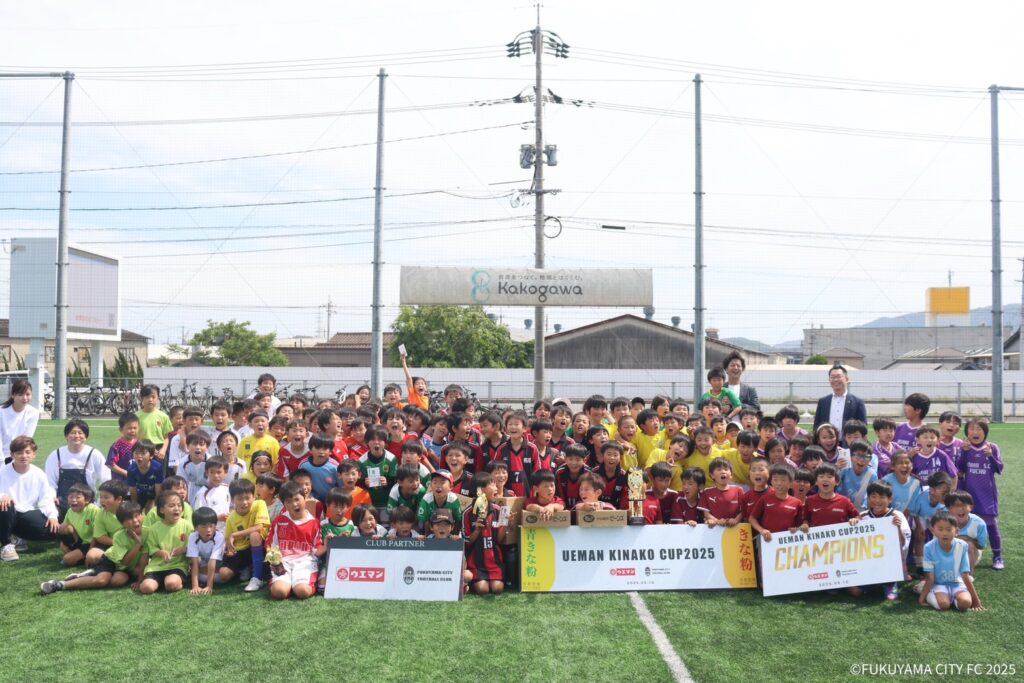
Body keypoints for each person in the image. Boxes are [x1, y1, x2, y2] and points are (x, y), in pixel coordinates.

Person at [40, 501, 147, 595]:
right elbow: (125, 561)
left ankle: (89, 574)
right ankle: (59, 584)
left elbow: (144, 556)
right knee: (101, 581)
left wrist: (140, 580)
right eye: (129, 519)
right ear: (122, 523)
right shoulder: (119, 536)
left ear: (143, 515)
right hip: (112, 561)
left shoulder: (148, 532)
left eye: (137, 515)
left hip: (126, 568)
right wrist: (138, 545)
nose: (135, 520)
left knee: (118, 581)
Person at [0, 435, 58, 560]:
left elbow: (46, 500)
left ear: (33, 454)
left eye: (27, 452)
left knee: (51, 532)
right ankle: (6, 544)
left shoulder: (39, 474)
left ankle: (17, 535)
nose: (24, 456)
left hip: (25, 513)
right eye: (19, 453)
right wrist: (2, 496)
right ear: (12, 455)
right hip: (6, 512)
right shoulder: (2, 472)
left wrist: (53, 516)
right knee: (6, 504)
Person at [956, 418, 1003, 570]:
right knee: (966, 523)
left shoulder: (992, 447)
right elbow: (961, 469)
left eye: (979, 429)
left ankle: (998, 556)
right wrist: (964, 452)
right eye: (971, 429)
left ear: (985, 432)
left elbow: (999, 469)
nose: (975, 432)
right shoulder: (964, 448)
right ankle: (965, 554)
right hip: (969, 494)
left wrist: (990, 456)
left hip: (987, 493)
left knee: (991, 525)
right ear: (967, 432)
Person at [918, 510, 983, 611]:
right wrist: (922, 598)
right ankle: (931, 594)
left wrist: (976, 600)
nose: (944, 533)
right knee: (944, 605)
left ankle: (955, 599)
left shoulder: (962, 546)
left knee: (965, 603)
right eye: (940, 529)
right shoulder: (928, 547)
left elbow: (965, 575)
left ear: (956, 531)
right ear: (933, 531)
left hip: (957, 584)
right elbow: (930, 577)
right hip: (939, 584)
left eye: (949, 529)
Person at [266, 481, 321, 600]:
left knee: (303, 592)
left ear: (305, 498)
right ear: (284, 504)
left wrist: (328, 543)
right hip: (283, 562)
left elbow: (317, 549)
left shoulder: (314, 523)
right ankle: (284, 584)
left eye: (297, 499)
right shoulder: (279, 521)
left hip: (305, 563)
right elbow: (270, 545)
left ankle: (297, 584)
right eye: (288, 501)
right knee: (279, 592)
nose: (294, 504)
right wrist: (275, 561)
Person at [44, 419, 105, 521]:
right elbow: (50, 482)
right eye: (73, 433)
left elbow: (106, 480)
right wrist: (51, 499)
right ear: (66, 436)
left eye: (80, 433)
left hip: (87, 505)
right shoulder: (56, 455)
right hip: (61, 504)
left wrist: (98, 504)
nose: (76, 436)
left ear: (86, 436)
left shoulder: (94, 454)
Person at [139, 490, 193, 594]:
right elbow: (152, 548)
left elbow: (193, 546)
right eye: (171, 505)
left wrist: (184, 549)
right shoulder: (154, 529)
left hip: (178, 565)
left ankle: (175, 582)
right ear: (162, 510)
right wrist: (162, 553)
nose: (176, 508)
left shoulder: (187, 526)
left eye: (179, 505)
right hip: (156, 566)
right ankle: (159, 582)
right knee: (146, 588)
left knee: (171, 584)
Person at [463, 471, 506, 595]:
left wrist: (506, 523)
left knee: (498, 588)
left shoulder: (498, 510)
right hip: (476, 562)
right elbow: (467, 542)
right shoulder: (468, 513)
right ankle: (471, 582)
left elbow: (499, 540)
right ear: (480, 491)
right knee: (483, 589)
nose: (496, 488)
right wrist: (477, 530)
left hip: (494, 561)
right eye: (492, 485)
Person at [224, 478, 270, 592]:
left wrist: (235, 535)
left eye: (247, 498)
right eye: (240, 499)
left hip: (261, 546)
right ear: (232, 500)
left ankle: (257, 578)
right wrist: (230, 549)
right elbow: (228, 540)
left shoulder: (260, 504)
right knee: (224, 574)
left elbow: (259, 527)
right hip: (241, 551)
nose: (244, 502)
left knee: (254, 535)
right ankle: (245, 568)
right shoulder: (230, 518)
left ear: (254, 497)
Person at [812, 364, 867, 438]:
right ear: (829, 380)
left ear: (846, 379)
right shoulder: (823, 402)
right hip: (828, 443)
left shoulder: (858, 402)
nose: (835, 380)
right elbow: (817, 426)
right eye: (832, 377)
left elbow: (863, 428)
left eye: (838, 376)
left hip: (849, 443)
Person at [186, 506, 225, 595]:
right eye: (204, 527)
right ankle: (199, 577)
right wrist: (195, 586)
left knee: (224, 575)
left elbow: (213, 561)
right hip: (204, 565)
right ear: (196, 528)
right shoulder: (193, 537)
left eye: (211, 526)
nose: (208, 530)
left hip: (218, 565)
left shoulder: (219, 537)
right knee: (193, 565)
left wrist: (209, 586)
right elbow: (194, 562)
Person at [1, 379, 39, 464]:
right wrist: (1, 460)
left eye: (28, 394)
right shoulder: (1, 412)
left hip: (18, 456)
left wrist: (19, 457)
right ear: (13, 395)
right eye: (20, 394)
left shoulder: (34, 413)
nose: (25, 398)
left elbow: (27, 438)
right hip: (3, 455)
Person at [698, 458, 743, 527]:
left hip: (735, 529)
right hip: (715, 529)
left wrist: (736, 520)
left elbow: (743, 511)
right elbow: (706, 513)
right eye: (719, 469)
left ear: (731, 474)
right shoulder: (706, 492)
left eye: (726, 469)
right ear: (712, 475)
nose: (723, 472)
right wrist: (717, 521)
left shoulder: (738, 490)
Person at [135, 384, 171, 458]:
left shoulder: (163, 416)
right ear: (141, 398)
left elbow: (166, 437)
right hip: (142, 449)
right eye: (147, 397)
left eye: (153, 397)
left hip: (159, 451)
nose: (150, 400)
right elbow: (135, 437)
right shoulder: (136, 416)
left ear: (158, 398)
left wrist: (163, 450)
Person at [127, 440, 163, 512]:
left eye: (143, 453)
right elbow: (132, 490)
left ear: (151, 456)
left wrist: (156, 506)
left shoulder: (157, 467)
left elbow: (158, 490)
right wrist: (135, 506)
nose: (139, 456)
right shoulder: (131, 469)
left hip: (152, 494)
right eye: (136, 453)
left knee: (150, 510)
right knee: (129, 509)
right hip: (139, 494)